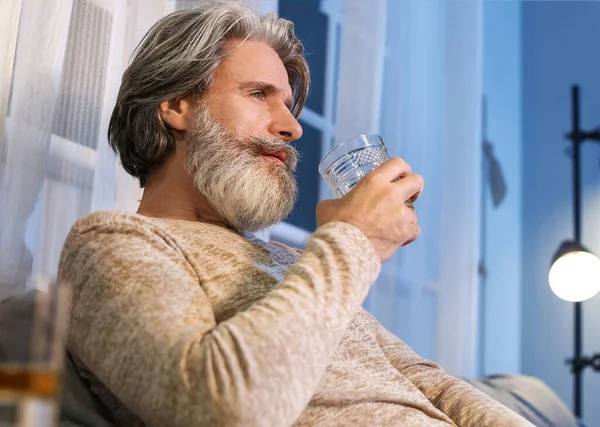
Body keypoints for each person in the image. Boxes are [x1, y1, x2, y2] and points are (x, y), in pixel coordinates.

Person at [58, 2, 533, 426]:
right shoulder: (110, 242)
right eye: (258, 94)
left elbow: (429, 385)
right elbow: (223, 410)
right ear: (177, 105)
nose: (291, 128)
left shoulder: (294, 262)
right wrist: (354, 239)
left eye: (287, 104)